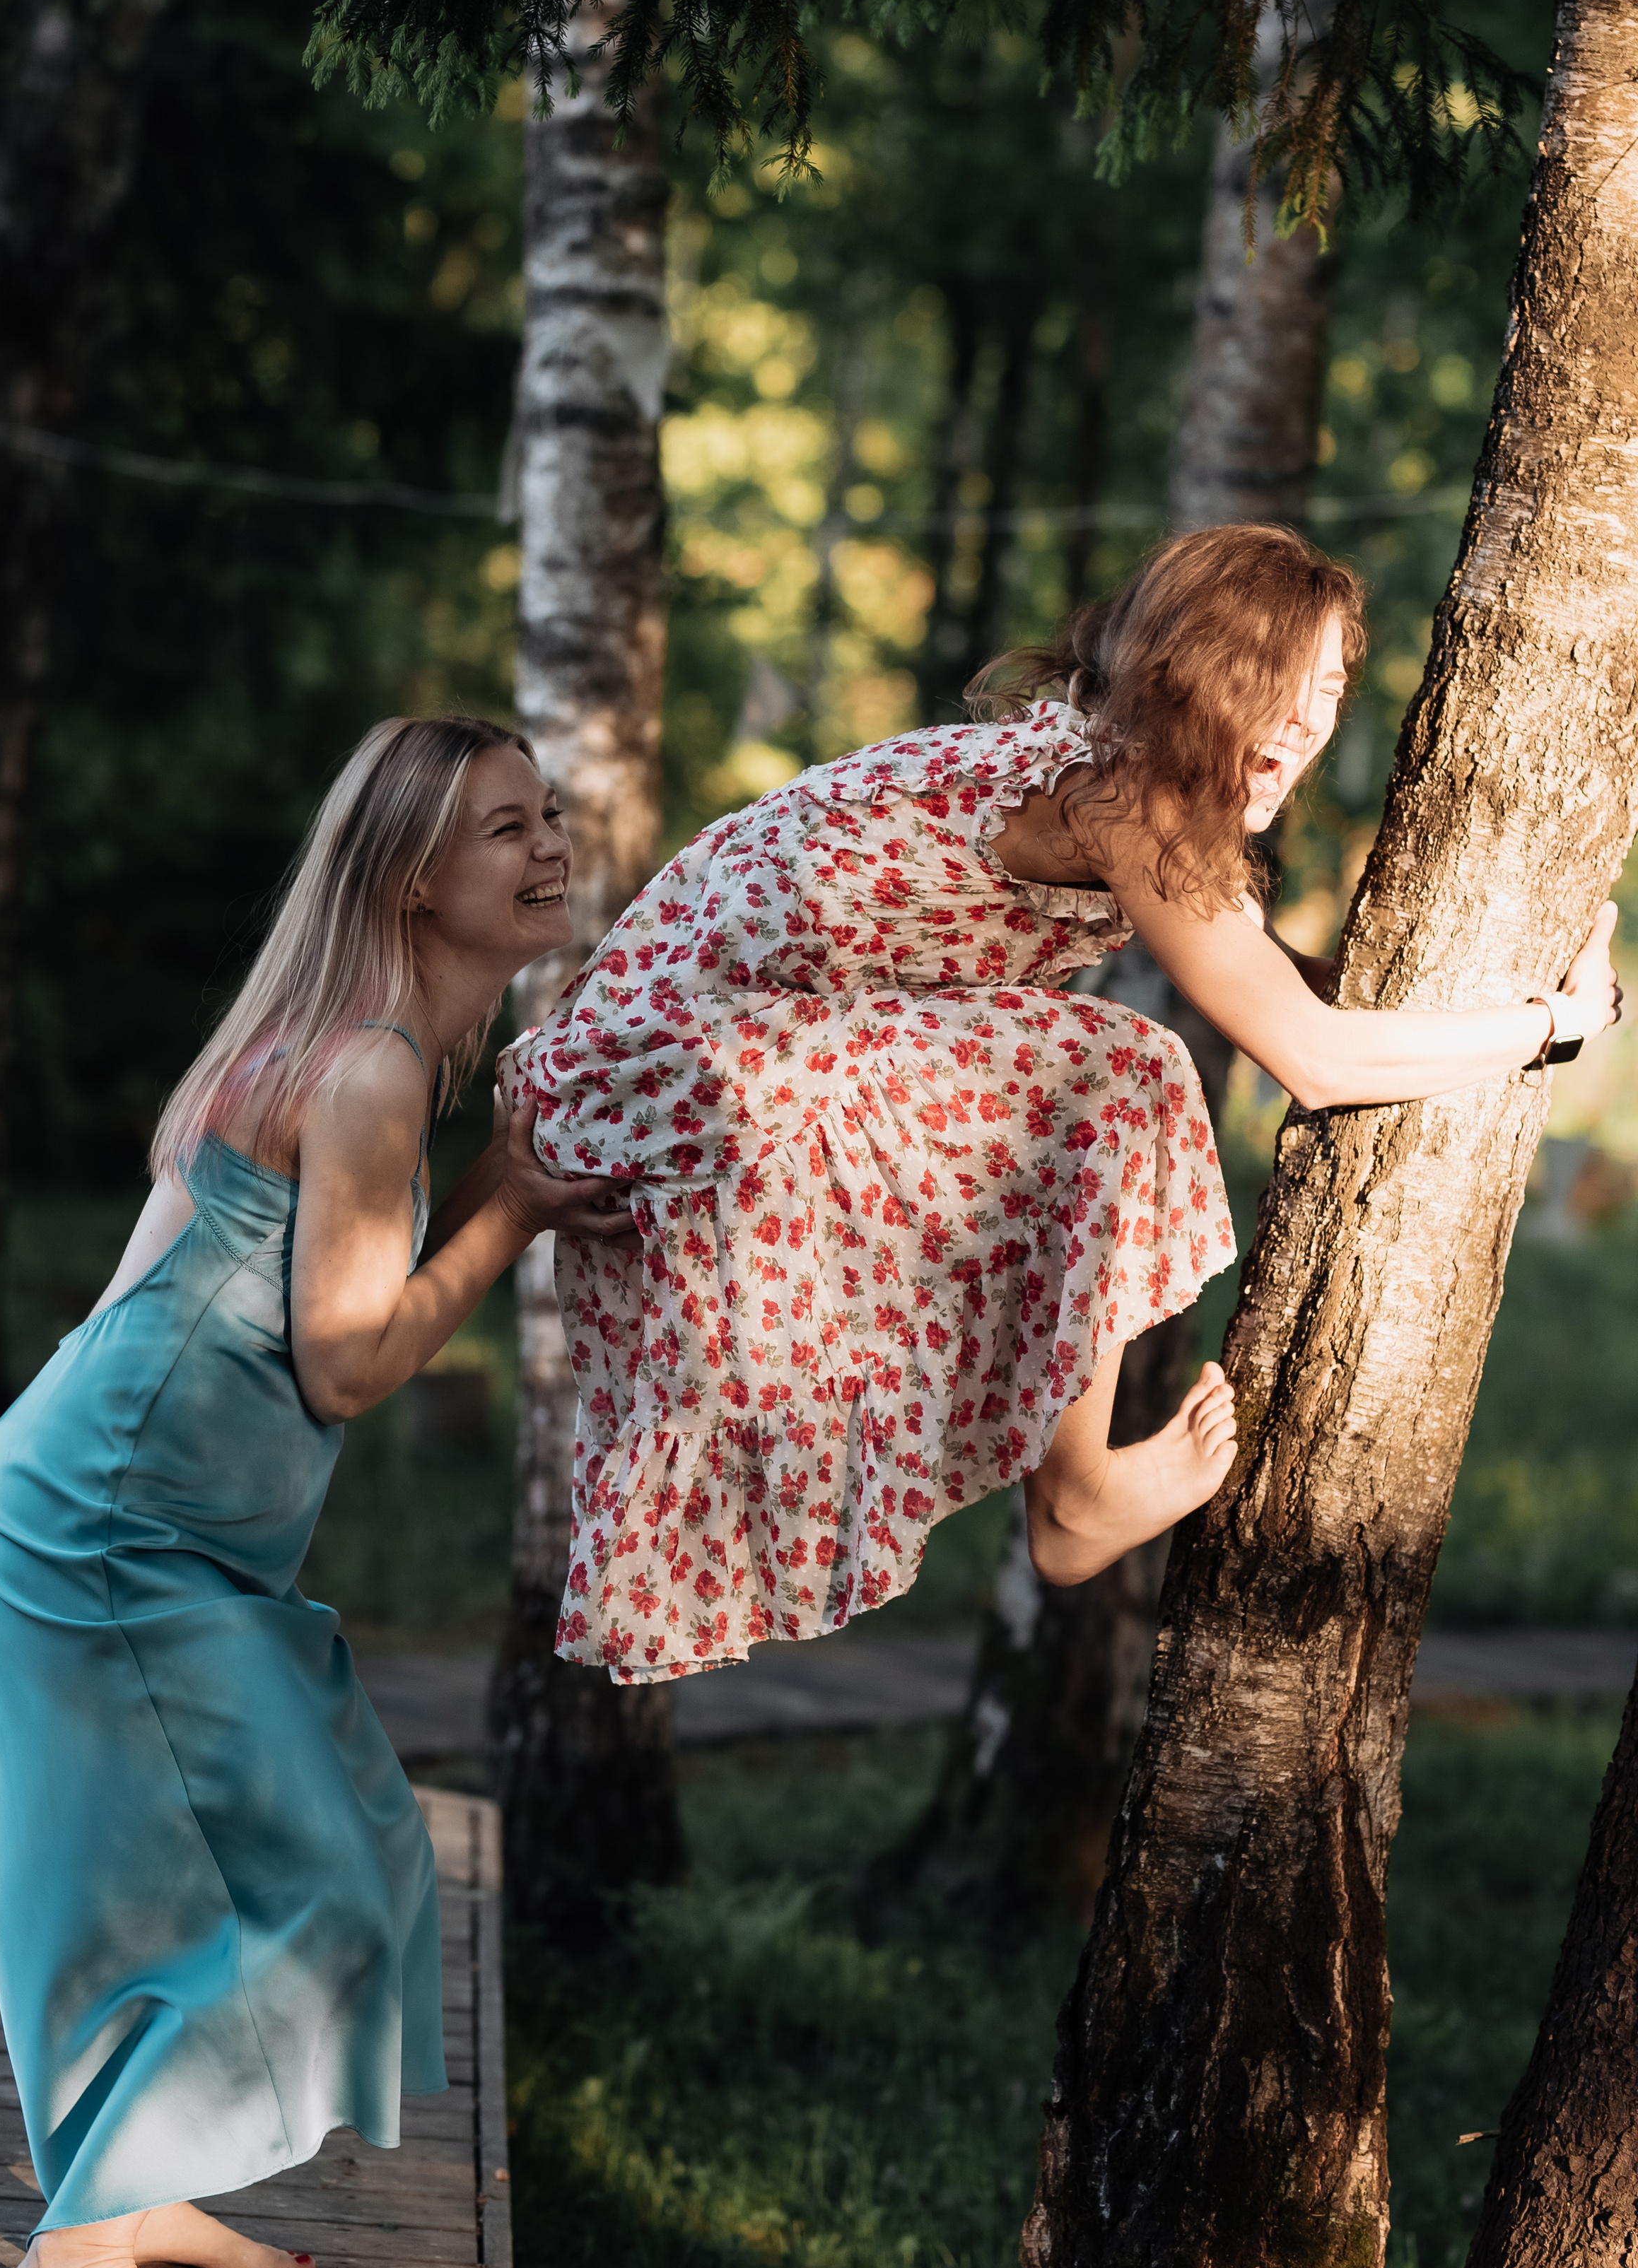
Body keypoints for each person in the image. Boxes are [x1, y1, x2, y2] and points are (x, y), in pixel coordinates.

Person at [516, 524, 1622, 1683]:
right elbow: (1317, 1058)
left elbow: (1285, 992)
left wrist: (1510, 993)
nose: (1304, 721)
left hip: (702, 1044)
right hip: (700, 1055)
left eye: (1331, 687)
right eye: (1274, 680)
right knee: (1120, 1075)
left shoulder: (1119, 763)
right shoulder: (1125, 797)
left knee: (1107, 1070)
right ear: (1194, 675)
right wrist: (1555, 1022)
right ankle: (1077, 1492)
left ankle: (1073, 1488)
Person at [0, 715, 632, 2268]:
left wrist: (498, 1189)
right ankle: (70, 2267)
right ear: (410, 880)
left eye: (547, 815)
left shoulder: (327, 1041)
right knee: (320, 1883)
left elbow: (150, 1290)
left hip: (99, 1513)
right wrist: (510, 1214)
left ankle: (122, 2203)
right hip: (106, 1534)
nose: (549, 846)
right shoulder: (367, 1066)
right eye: (504, 829)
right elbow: (347, 1365)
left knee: (190, 1885)